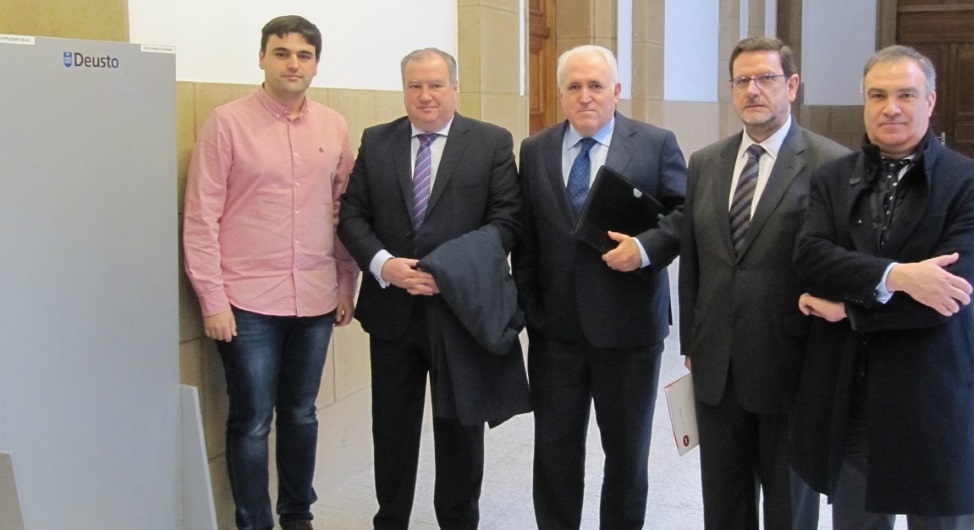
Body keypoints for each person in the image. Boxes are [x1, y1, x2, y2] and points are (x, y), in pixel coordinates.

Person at [791, 45, 974, 529]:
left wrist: (851, 310)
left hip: (933, 388)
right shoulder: (831, 179)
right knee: (858, 520)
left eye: (906, 94)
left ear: (931, 101)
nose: (891, 107)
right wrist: (900, 276)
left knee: (940, 521)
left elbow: (949, 295)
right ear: (864, 103)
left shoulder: (973, 185)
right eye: (878, 95)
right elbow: (810, 259)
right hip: (854, 389)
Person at [336, 48, 526, 530]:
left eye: (436, 84)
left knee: (460, 431)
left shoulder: (490, 142)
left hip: (458, 311)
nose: (425, 95)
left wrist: (448, 269)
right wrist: (385, 265)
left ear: (455, 88)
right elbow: (352, 215)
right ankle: (391, 519)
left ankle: (459, 522)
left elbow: (507, 221)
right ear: (403, 89)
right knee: (393, 431)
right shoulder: (377, 142)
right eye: (415, 85)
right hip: (392, 311)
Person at [182, 15, 356, 530]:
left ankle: (297, 515)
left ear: (316, 64)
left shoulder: (334, 126)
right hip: (247, 302)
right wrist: (212, 299)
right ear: (262, 58)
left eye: (303, 55)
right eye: (281, 53)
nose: (293, 64)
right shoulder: (226, 123)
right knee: (253, 420)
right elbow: (200, 216)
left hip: (317, 296)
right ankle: (253, 521)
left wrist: (347, 282)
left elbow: (343, 211)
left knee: (302, 415)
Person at [511, 44, 687, 530]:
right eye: (574, 86)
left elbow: (685, 213)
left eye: (595, 86)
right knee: (554, 453)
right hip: (556, 333)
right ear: (561, 93)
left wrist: (647, 247)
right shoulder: (536, 149)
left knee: (626, 456)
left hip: (629, 332)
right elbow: (526, 237)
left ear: (616, 90)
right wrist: (530, 309)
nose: (585, 96)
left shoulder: (655, 143)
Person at [678, 36, 849, 530]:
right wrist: (693, 340)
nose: (753, 90)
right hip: (717, 365)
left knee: (788, 510)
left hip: (791, 365)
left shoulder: (829, 163)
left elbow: (836, 265)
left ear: (791, 85)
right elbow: (696, 260)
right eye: (742, 80)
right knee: (724, 505)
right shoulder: (706, 162)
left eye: (766, 78)